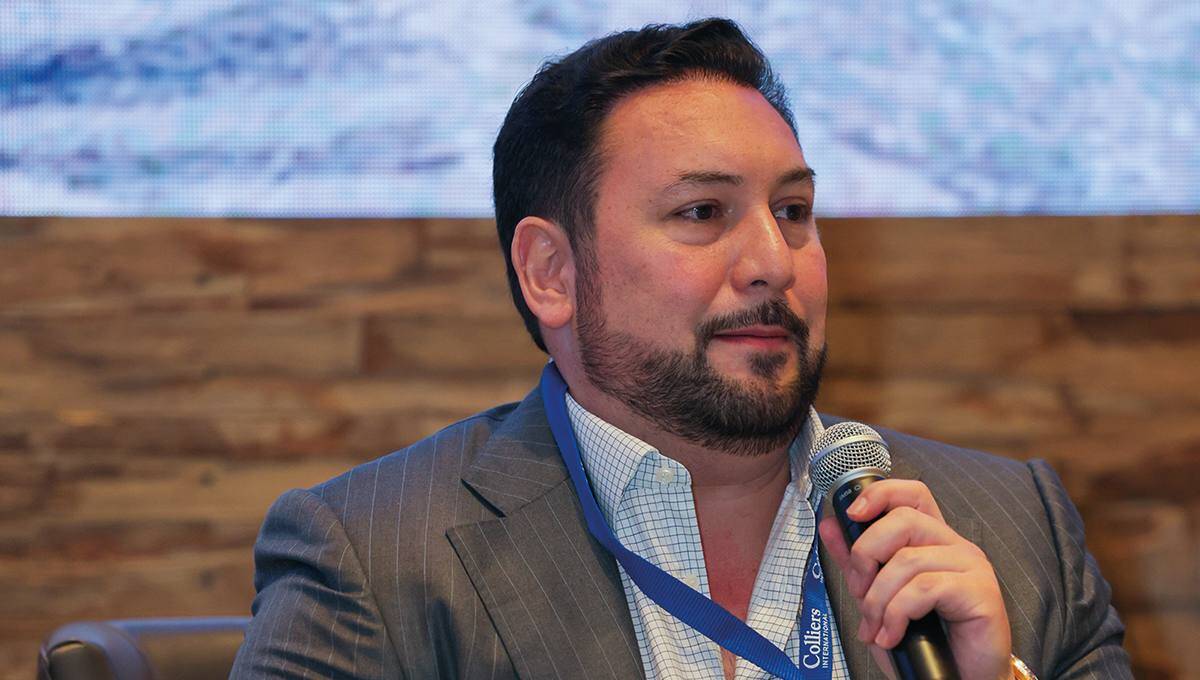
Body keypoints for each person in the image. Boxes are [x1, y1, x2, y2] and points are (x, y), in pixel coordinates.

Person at [230, 18, 1131, 680]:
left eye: (793, 211)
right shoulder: (377, 559)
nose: (774, 261)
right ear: (551, 272)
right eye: (702, 213)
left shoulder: (1013, 534)